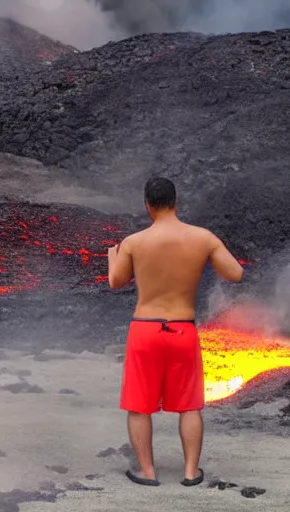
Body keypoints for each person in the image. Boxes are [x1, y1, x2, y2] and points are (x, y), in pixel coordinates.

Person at [107, 176, 243, 487]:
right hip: (183, 330)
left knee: (139, 405)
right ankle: (191, 472)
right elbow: (235, 273)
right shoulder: (203, 238)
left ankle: (147, 472)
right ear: (176, 203)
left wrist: (112, 256)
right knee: (189, 405)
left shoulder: (134, 242)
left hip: (145, 331)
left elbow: (116, 282)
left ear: (147, 205)